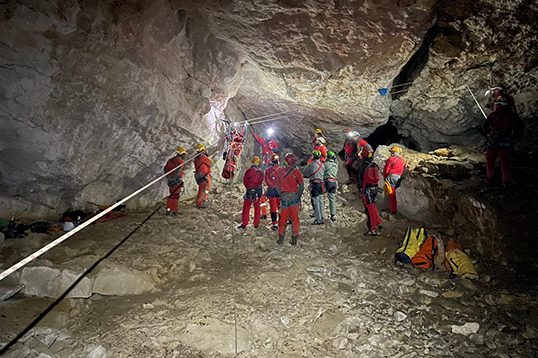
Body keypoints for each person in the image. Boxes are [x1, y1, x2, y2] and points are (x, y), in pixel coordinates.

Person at [482, 96, 524, 187]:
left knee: (490, 160)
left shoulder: (493, 115)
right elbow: (520, 127)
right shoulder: (512, 116)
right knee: (505, 162)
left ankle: (489, 178)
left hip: (494, 140)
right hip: (506, 141)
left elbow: (484, 128)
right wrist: (513, 135)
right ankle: (506, 181)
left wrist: (488, 133)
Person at [275, 153, 304, 246]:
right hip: (294, 197)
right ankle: (294, 240)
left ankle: (280, 239)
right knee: (295, 219)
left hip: (284, 197)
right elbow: (302, 186)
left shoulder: (280, 171)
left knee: (283, 218)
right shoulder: (297, 172)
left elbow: (276, 185)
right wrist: (298, 195)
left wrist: (281, 194)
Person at [358, 156, 382, 235]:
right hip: (375, 188)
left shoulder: (363, 166)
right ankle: (378, 222)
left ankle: (372, 229)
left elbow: (360, 178)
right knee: (372, 206)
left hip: (367, 189)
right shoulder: (375, 165)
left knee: (369, 209)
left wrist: (360, 189)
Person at [238, 157, 264, 228]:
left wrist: (248, 187)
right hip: (258, 190)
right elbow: (261, 181)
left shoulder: (249, 171)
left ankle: (245, 223)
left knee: (247, 206)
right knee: (257, 206)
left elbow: (245, 181)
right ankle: (256, 224)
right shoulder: (261, 172)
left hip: (250, 190)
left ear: (252, 162)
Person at [303, 150, 325, 225]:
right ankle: (322, 216)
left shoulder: (311, 164)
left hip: (314, 184)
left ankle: (318, 219)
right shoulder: (322, 164)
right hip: (321, 184)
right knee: (321, 201)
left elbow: (305, 172)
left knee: (316, 202)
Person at [164, 147, 186, 216]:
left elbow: (165, 168)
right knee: (175, 196)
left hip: (170, 180)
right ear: (182, 154)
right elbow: (179, 170)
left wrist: (168, 177)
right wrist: (175, 178)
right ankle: (174, 211)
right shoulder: (180, 161)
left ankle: (168, 209)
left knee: (171, 195)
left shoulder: (171, 160)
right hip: (176, 181)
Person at [383, 146, 405, 214]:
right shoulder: (402, 160)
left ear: (395, 152)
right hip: (398, 178)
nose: (391, 153)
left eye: (392, 152)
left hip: (391, 177)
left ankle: (392, 210)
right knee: (391, 192)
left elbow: (386, 170)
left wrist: (385, 177)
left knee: (390, 193)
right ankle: (390, 207)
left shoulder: (391, 159)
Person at [265, 153, 283, 230]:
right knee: (280, 206)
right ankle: (281, 222)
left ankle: (274, 223)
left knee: (273, 207)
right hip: (280, 190)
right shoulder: (282, 170)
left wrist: (272, 186)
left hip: (272, 191)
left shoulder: (268, 170)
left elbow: (267, 180)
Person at [324, 151, 338, 222]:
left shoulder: (325, 164)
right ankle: (333, 215)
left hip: (327, 181)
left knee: (320, 197)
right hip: (333, 182)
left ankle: (319, 213)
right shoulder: (335, 165)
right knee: (332, 198)